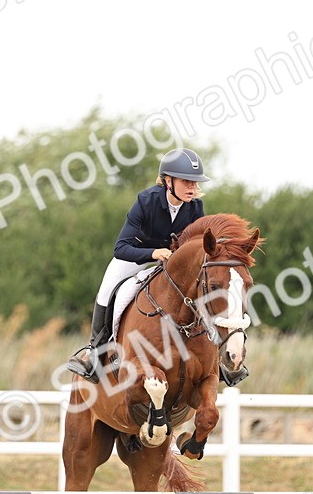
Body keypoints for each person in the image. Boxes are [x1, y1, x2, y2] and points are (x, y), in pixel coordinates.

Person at [66, 148, 208, 382]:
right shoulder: (146, 201)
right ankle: (95, 351)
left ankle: (210, 350)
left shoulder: (195, 207)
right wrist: (153, 253)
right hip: (136, 258)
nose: (192, 187)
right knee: (107, 290)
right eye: (186, 181)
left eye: (195, 182)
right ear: (168, 181)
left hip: (170, 264)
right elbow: (120, 248)